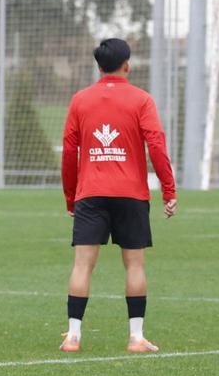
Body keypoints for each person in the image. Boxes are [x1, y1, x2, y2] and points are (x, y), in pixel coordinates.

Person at [60, 38, 176, 354]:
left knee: (82, 265)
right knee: (135, 265)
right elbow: (156, 146)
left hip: (91, 194)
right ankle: (136, 338)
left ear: (99, 66)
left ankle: (73, 337)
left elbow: (70, 151)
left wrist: (71, 197)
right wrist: (168, 190)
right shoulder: (142, 100)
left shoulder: (80, 100)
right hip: (131, 194)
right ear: (127, 65)